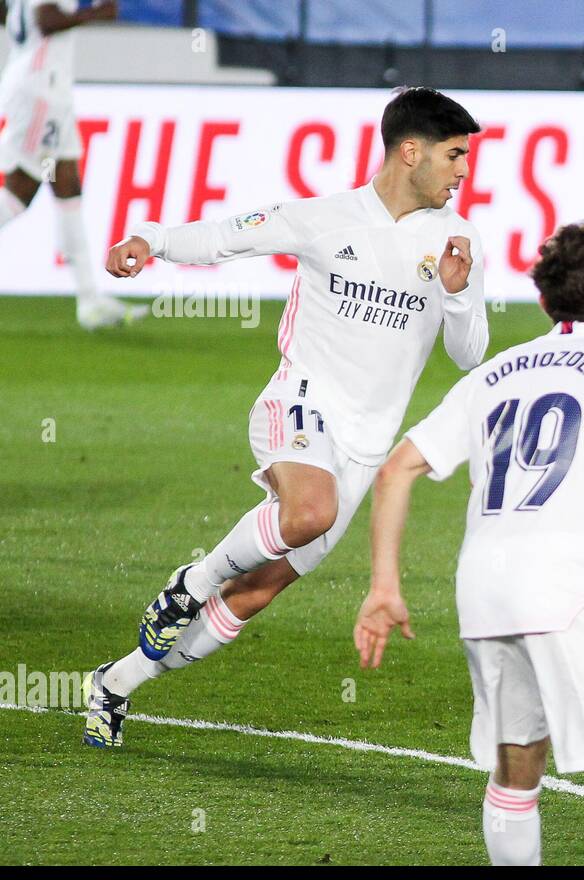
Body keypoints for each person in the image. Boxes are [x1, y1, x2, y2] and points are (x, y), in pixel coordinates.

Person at [82, 88, 489, 748]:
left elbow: (470, 354)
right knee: (307, 514)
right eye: (455, 155)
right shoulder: (325, 218)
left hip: (364, 444)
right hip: (299, 401)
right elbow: (225, 237)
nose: (464, 171)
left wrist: (458, 294)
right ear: (410, 152)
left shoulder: (460, 241)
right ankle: (188, 584)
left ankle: (115, 683)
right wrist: (149, 240)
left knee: (255, 592)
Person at [353, 222, 584, 865]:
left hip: (481, 589)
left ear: (544, 301)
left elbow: (396, 470)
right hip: (565, 588)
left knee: (517, 769)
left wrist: (384, 585)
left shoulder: (493, 373)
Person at [0, 0, 133, 328]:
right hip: (40, 90)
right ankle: (90, 301)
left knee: (68, 188)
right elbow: (47, 19)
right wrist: (97, 14)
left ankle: (89, 301)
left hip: (45, 85)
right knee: (18, 195)